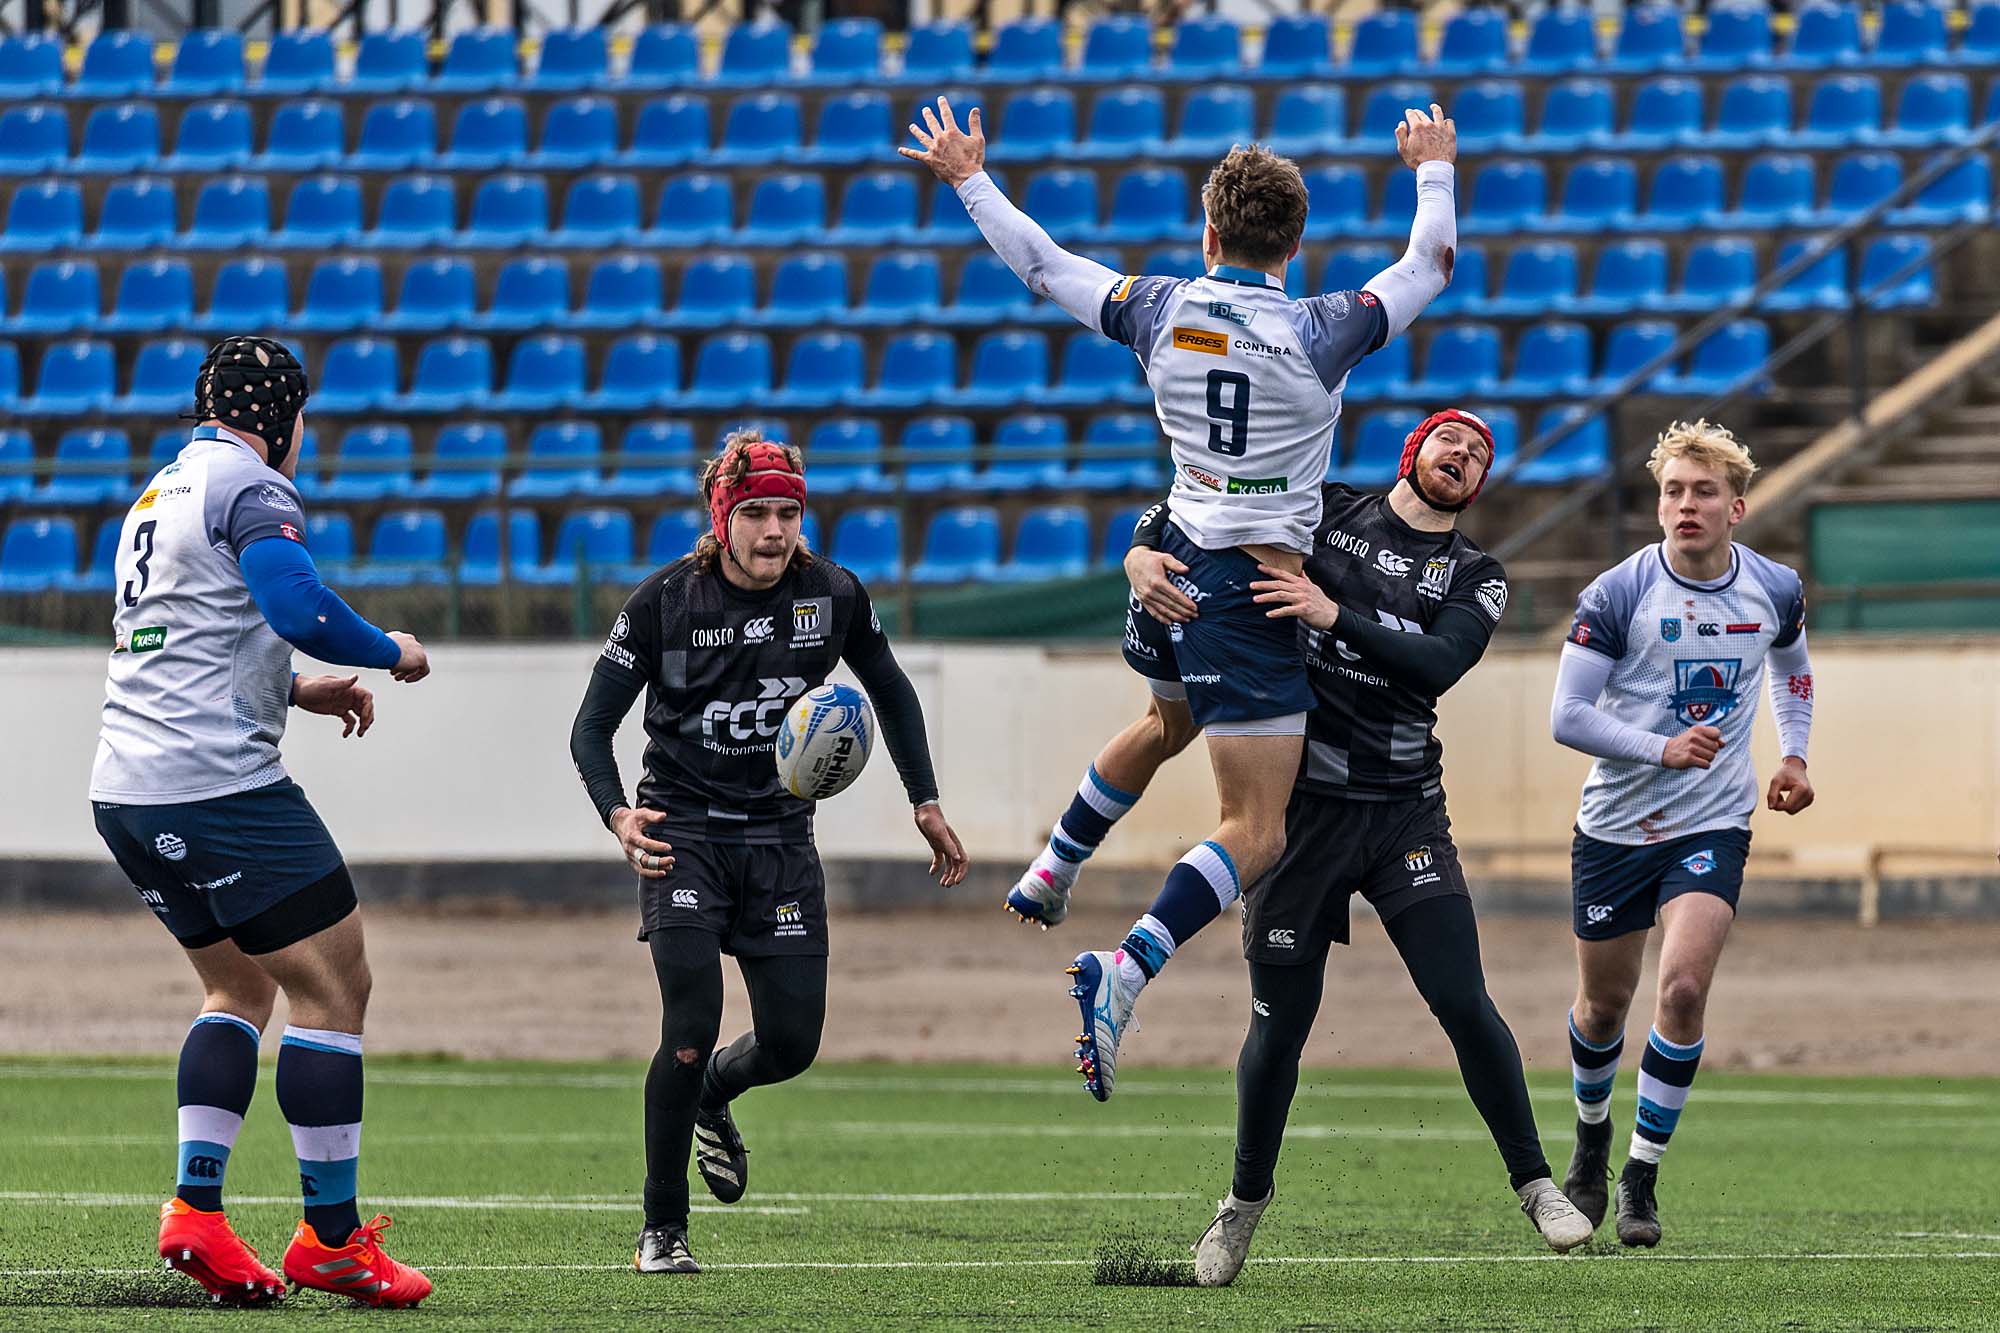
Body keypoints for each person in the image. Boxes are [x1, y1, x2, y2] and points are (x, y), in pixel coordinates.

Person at [903, 94, 1460, 1100]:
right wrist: (1433, 165)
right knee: (1258, 828)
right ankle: (1126, 966)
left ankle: (1054, 866)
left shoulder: (1160, 308)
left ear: (1208, 232)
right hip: (1249, 589)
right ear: (1295, 243)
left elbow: (1044, 266)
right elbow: (1430, 263)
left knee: (1165, 721)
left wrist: (969, 179)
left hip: (1167, 563)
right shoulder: (1324, 327)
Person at [1110, 411, 1593, 1282]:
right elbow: (1198, 502)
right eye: (1450, 439)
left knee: (1462, 999)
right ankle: (1241, 1206)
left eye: (1479, 452)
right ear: (1414, 450)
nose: (1462, 453)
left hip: (1405, 811)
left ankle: (1536, 1184)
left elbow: (1439, 663)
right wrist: (1140, 552)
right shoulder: (1324, 508)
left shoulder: (1477, 574)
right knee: (1277, 1032)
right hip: (1299, 815)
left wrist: (1330, 613)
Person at [569, 431, 970, 1275]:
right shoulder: (664, 603)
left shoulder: (832, 594)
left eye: (788, 512)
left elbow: (891, 689)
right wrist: (619, 816)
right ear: (723, 517)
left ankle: (715, 1092)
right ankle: (663, 1226)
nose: (775, 530)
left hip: (780, 838)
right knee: (688, 1028)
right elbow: (591, 727)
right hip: (681, 834)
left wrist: (924, 800)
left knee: (792, 1043)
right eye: (755, 512)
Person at [88, 337, 434, 1309]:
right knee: (335, 985)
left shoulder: (157, 494)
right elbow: (299, 607)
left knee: (237, 984)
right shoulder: (254, 486)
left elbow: (183, 639)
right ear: (281, 418)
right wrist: (388, 648)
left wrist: (297, 689)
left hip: (127, 789)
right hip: (219, 789)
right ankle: (333, 1240)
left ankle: (197, 1210)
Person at [1552, 420, 1816, 1247]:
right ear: (1659, 503)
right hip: (1613, 828)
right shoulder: (1617, 593)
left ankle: (1640, 1174)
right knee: (1603, 1007)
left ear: (1737, 506)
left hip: (1712, 819)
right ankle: (1591, 1137)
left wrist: (1795, 754)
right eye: (1673, 490)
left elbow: (1792, 666)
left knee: (1684, 989)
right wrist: (1659, 747)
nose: (1686, 504)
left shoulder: (1774, 587)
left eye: (1704, 490)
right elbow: (1567, 716)